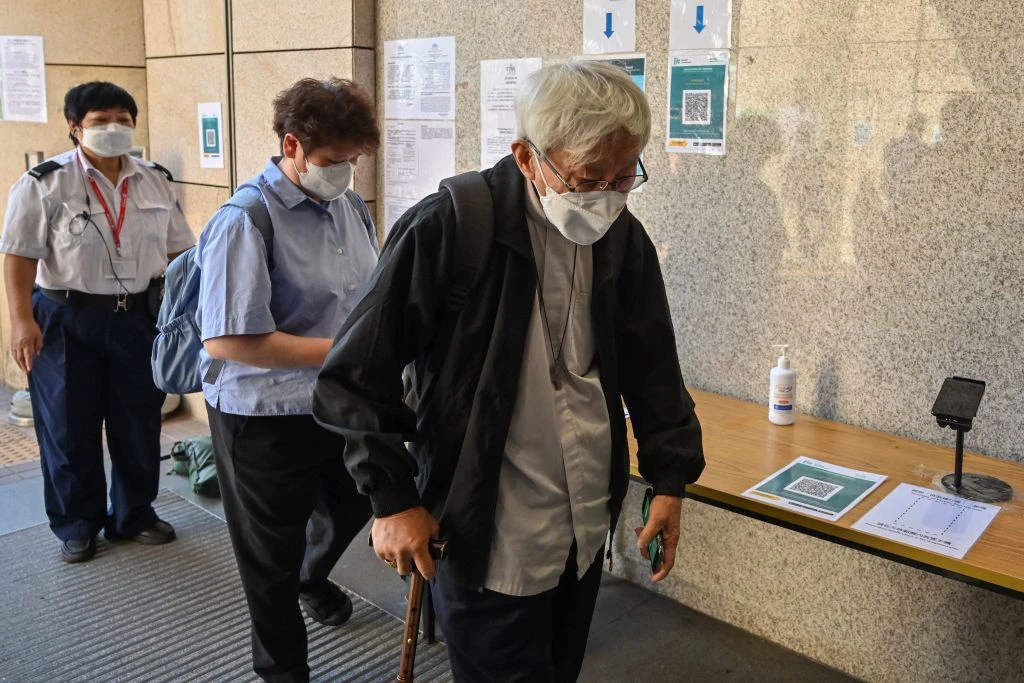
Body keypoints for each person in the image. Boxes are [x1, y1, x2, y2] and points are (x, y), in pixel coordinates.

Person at [313, 61, 706, 682]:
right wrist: (391, 499)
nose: (605, 195)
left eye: (624, 175)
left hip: (580, 528)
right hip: (484, 531)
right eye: (585, 178)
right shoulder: (451, 226)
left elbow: (653, 366)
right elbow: (355, 374)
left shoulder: (622, 238)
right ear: (527, 157)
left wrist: (670, 480)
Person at [195, 77, 379, 683]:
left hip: (335, 404)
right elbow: (228, 340)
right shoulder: (245, 220)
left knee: (356, 503)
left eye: (354, 160)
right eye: (334, 161)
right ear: (292, 145)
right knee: (266, 559)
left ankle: (312, 574)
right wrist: (344, 350)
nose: (347, 172)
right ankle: (282, 671)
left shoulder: (349, 207)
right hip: (262, 416)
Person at [1, 81, 194, 563]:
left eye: (123, 121)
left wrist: (189, 314)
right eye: (100, 121)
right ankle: (77, 522)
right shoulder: (44, 182)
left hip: (138, 319)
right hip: (66, 317)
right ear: (74, 128)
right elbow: (19, 255)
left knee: (138, 421)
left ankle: (134, 515)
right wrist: (21, 320)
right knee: (68, 426)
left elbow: (181, 251)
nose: (114, 129)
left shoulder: (155, 179)